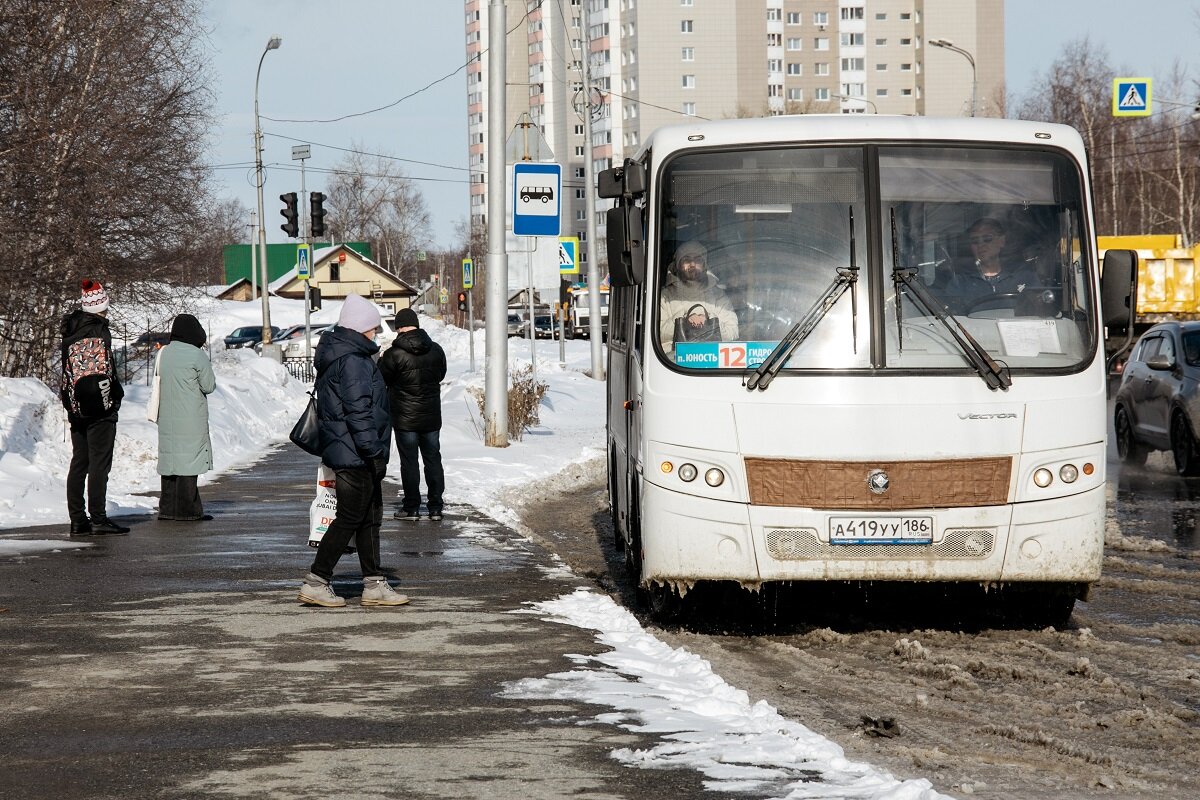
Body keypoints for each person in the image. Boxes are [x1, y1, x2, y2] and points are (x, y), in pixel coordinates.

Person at [298, 294, 408, 608]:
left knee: (369, 518)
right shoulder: (354, 361)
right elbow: (359, 412)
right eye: (373, 327)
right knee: (350, 517)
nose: (376, 333)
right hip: (356, 452)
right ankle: (317, 581)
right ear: (361, 329)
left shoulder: (345, 355)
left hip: (351, 450)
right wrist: (373, 451)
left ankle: (373, 585)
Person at [61, 279, 129, 536]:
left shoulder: (70, 331)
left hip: (76, 404)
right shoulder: (100, 331)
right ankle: (99, 519)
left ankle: (78, 520)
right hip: (101, 406)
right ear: (102, 306)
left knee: (80, 461)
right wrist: (116, 397)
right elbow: (107, 372)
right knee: (99, 463)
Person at [379, 307, 447, 522]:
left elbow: (382, 379)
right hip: (431, 415)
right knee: (433, 459)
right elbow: (441, 373)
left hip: (405, 417)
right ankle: (436, 507)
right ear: (417, 325)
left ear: (399, 328)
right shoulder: (436, 349)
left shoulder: (393, 354)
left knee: (409, 462)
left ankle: (411, 507)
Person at [154, 314, 216, 521]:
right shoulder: (196, 355)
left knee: (170, 460)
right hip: (191, 416)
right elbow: (209, 386)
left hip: (166, 417)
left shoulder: (163, 353)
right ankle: (188, 510)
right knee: (189, 461)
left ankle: (167, 509)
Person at [658, 240, 739, 353]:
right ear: (677, 265)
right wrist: (686, 320)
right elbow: (656, 332)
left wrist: (708, 320)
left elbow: (733, 331)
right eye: (686, 259)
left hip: (711, 360)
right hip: (672, 362)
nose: (692, 264)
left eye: (698, 260)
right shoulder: (665, 296)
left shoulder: (718, 295)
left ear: (705, 265)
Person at [943, 218, 1038, 314]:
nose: (981, 245)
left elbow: (1041, 312)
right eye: (975, 241)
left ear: (1001, 241)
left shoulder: (1025, 277)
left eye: (987, 239)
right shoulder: (959, 284)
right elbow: (953, 318)